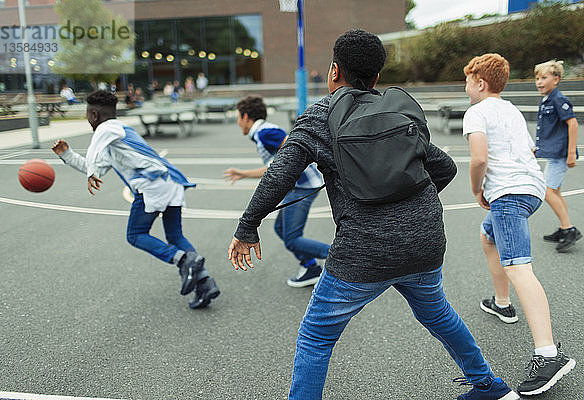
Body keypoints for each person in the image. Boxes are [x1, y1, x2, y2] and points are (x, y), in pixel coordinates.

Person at [228, 30, 519, 400]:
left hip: (363, 251)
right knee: (438, 315)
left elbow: (280, 174)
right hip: (424, 240)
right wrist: (412, 206)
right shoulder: (396, 111)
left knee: (316, 336)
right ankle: (489, 386)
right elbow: (444, 167)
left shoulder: (320, 115)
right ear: (377, 77)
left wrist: (247, 227)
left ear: (334, 72)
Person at [463, 53, 575, 396]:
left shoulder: (476, 112)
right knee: (487, 236)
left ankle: (548, 354)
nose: (466, 87)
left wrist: (477, 188)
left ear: (480, 83)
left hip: (508, 194)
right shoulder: (511, 109)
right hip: (530, 190)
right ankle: (501, 302)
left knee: (519, 268)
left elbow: (479, 158)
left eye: (468, 81)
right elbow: (527, 148)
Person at [51, 90, 219, 310]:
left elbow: (93, 155)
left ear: (93, 114)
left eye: (87, 114)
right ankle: (205, 282)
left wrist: (92, 171)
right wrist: (67, 155)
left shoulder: (107, 128)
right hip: (171, 182)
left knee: (136, 235)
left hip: (153, 185)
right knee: (175, 235)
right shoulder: (117, 138)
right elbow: (93, 166)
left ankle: (181, 259)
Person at [224, 95, 330, 287]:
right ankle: (310, 267)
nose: (238, 122)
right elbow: (275, 167)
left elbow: (293, 153)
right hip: (296, 186)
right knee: (280, 229)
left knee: (292, 239)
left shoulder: (265, 133)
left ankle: (339, 258)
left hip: (303, 186)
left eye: (238, 117)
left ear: (246, 116)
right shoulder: (261, 134)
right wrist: (243, 174)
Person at [533, 60, 580, 252]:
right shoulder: (547, 99)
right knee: (555, 192)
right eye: (537, 78)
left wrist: (571, 153)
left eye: (544, 78)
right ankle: (564, 228)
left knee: (547, 191)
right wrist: (538, 148)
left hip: (561, 155)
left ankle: (569, 229)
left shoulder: (558, 99)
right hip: (553, 154)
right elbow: (551, 130)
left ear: (556, 79)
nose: (539, 82)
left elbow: (573, 124)